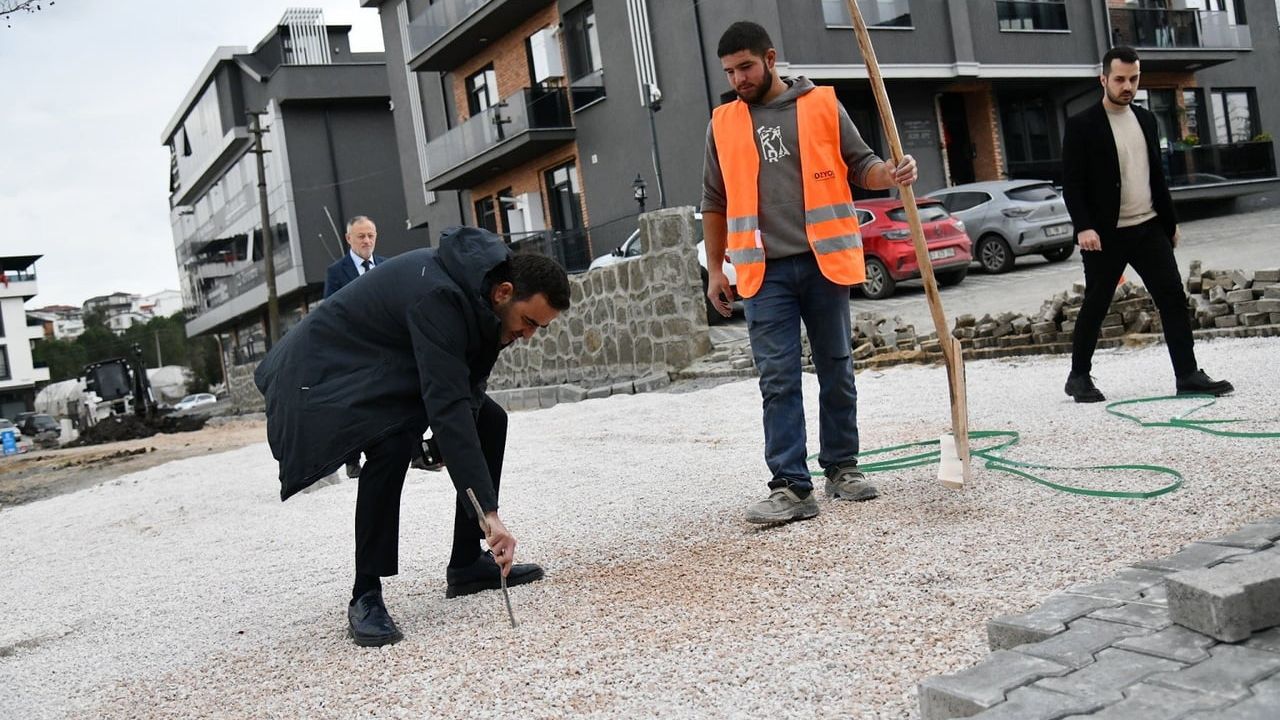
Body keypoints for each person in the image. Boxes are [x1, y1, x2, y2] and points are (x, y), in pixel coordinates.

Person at [255, 226, 571, 647]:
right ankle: (365, 595)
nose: (529, 335)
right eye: (529, 322)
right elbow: (447, 405)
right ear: (504, 292)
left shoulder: (485, 297)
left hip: (385, 358)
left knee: (490, 420)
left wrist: (454, 462)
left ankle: (465, 565)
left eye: (539, 329)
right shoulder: (440, 297)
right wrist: (489, 512)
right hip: (324, 371)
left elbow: (468, 390)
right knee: (390, 443)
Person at [701, 21, 917, 525]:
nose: (738, 79)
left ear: (771, 59)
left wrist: (891, 173)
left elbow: (861, 165)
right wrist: (715, 269)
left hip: (824, 262)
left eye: (746, 67)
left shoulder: (821, 105)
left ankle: (842, 467)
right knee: (777, 378)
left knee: (836, 368)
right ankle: (792, 487)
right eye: (730, 71)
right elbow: (714, 201)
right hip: (763, 273)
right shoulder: (723, 123)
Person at [1061, 46, 1232, 403]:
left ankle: (1187, 374)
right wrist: (1084, 227)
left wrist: (1169, 224)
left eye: (1134, 79)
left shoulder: (1147, 119)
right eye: (1120, 79)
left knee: (1172, 297)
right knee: (1097, 301)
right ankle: (1078, 377)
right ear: (1103, 79)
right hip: (1105, 234)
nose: (1127, 86)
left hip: (1149, 226)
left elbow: (1157, 176)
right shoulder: (1081, 125)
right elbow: (1073, 183)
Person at [323, 215, 389, 479]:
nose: (367, 241)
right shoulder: (336, 272)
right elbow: (331, 311)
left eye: (371, 235)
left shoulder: (386, 266)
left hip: (385, 346)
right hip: (353, 349)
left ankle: (406, 451)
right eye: (361, 236)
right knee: (355, 404)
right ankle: (352, 458)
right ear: (349, 239)